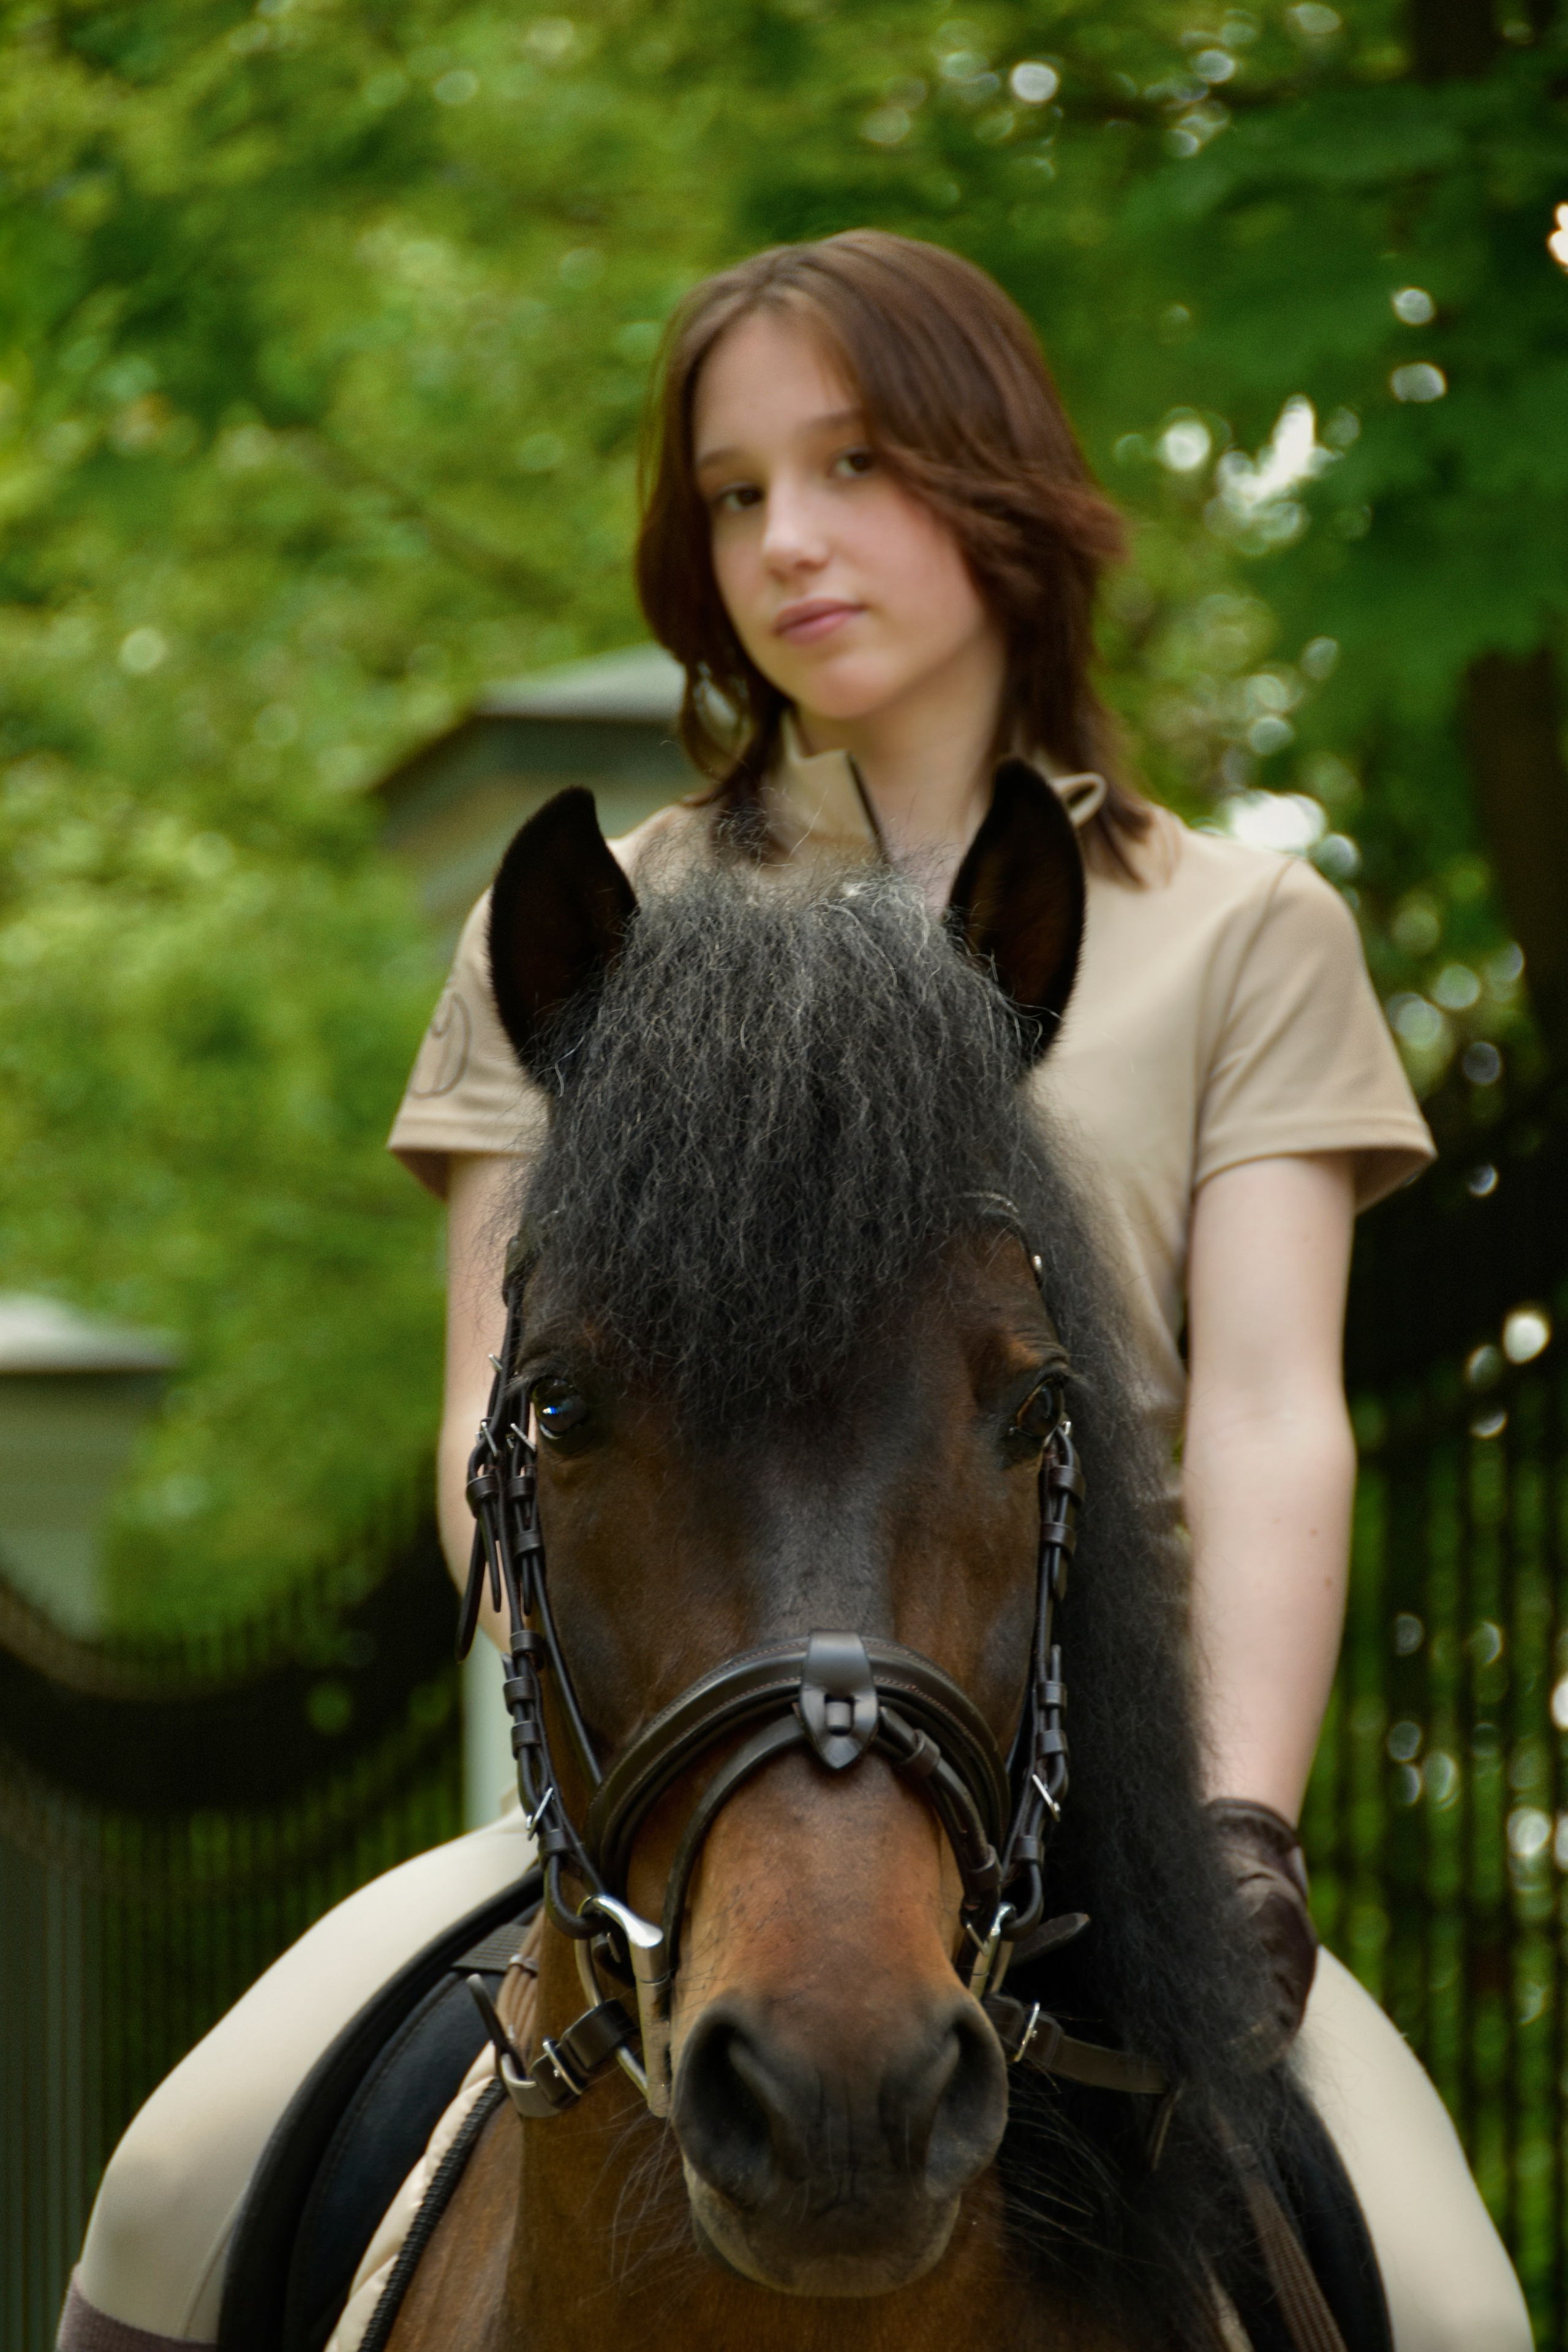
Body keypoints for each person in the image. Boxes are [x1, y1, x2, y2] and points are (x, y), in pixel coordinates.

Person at [66, 232, 1529, 2352]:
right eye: (735, 494)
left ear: (1000, 485)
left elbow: (1272, 1417)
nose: (789, 541)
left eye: (852, 465)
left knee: (1461, 2307)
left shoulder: (1239, 930)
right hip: (669, 1814)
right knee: (175, 2184)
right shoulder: (596, 925)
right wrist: (644, 1795)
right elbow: (494, 1404)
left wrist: (1236, 1837)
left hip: (1089, 1812)